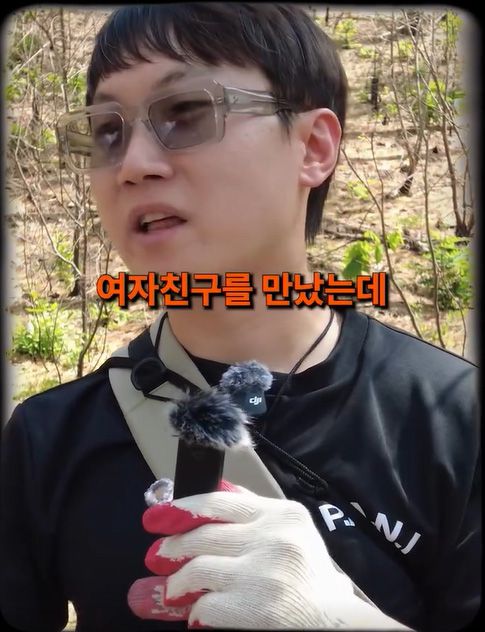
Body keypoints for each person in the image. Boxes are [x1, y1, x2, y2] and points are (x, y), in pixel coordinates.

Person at [1, 4, 479, 632]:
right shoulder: (46, 439)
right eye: (107, 131)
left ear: (313, 147)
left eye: (186, 112)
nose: (134, 164)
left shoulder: (454, 417)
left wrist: (342, 621)